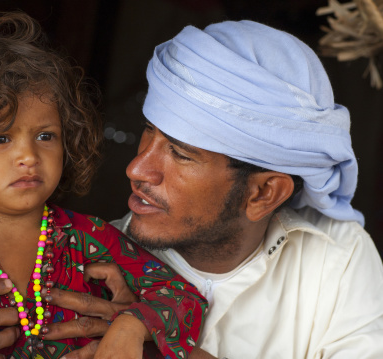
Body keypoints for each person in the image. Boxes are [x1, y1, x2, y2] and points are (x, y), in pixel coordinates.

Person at [38, 20, 383, 358]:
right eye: (148, 129)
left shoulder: (336, 258)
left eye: (181, 154)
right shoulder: (79, 264)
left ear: (264, 193)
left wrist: (162, 350)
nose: (136, 168)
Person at [0, 12, 208, 359]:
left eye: (45, 135)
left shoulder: (90, 238)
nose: (29, 156)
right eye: (0, 138)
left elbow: (181, 298)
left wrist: (132, 324)